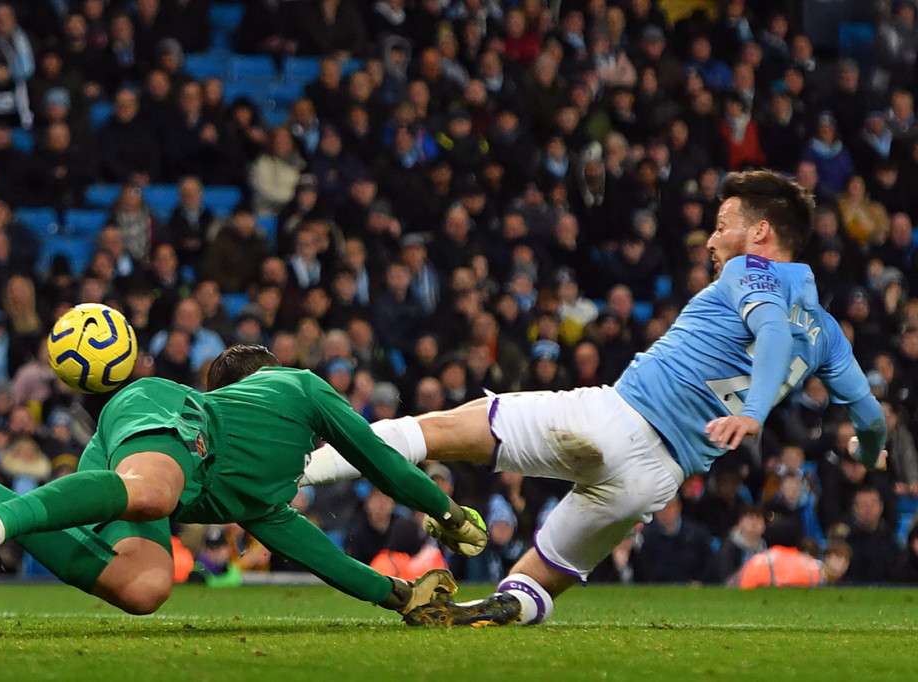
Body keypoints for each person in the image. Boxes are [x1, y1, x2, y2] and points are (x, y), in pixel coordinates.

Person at [300, 170, 889, 626]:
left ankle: (298, 470)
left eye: (722, 223)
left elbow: (771, 331)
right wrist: (866, 454)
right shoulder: (829, 334)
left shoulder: (749, 272)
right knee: (540, 578)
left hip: (617, 417)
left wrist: (755, 412)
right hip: (656, 480)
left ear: (760, 233)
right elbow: (869, 416)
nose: (712, 240)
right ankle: (498, 608)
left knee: (441, 430)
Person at [0, 345, 487, 617]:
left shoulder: (269, 497)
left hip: (140, 458)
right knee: (154, 492)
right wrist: (447, 511)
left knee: (143, 588)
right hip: (159, 419)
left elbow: (320, 556)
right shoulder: (296, 386)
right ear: (261, 380)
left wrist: (397, 596)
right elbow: (377, 458)